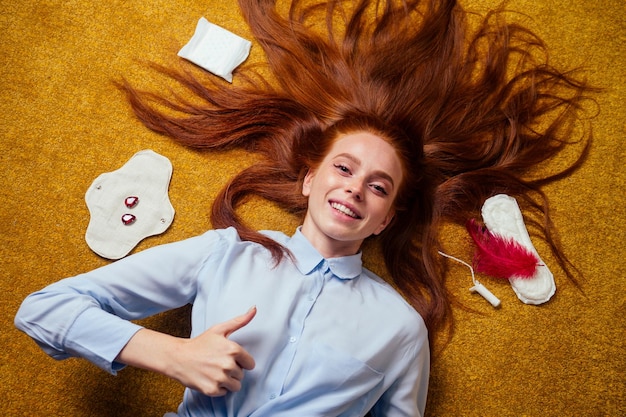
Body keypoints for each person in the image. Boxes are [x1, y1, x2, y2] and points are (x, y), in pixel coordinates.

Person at [14, 0, 594, 416]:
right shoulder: (228, 252)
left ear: (387, 217)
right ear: (311, 178)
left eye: (378, 186)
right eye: (344, 169)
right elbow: (43, 310)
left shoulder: (400, 330)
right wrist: (173, 355)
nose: (354, 189)